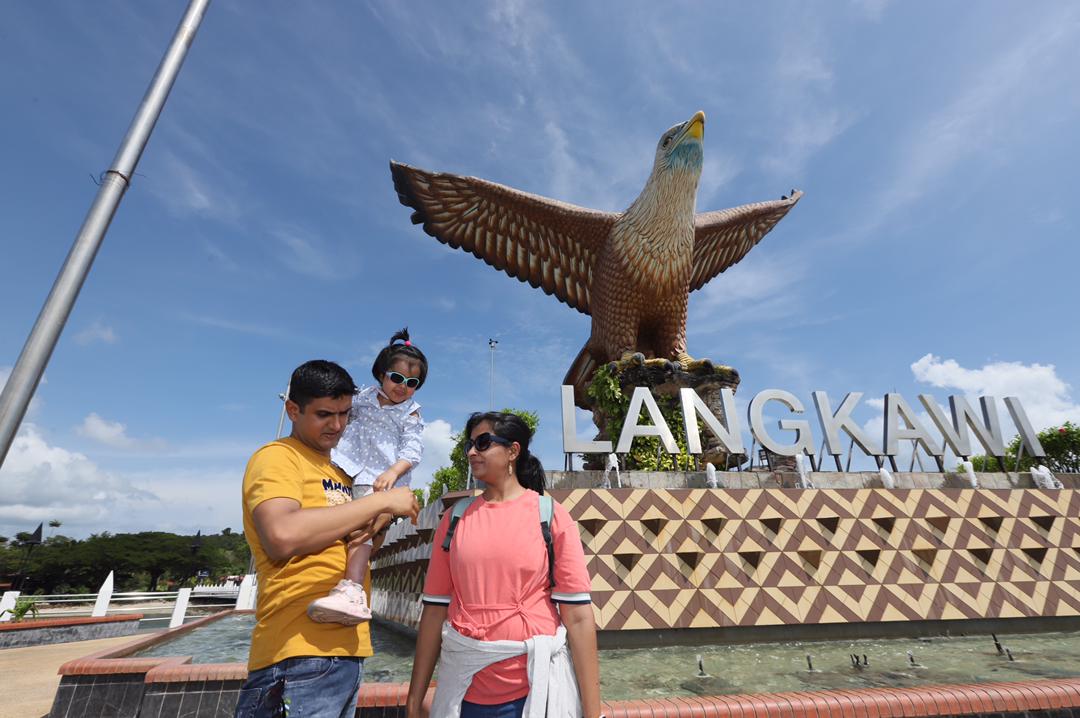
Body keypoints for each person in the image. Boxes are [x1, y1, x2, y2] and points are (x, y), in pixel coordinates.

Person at [237, 359, 419, 718]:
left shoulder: (342, 473)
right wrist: (380, 502)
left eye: (344, 414)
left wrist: (379, 521)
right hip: (296, 648)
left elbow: (356, 546)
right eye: (324, 414)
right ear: (293, 410)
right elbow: (281, 535)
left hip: (345, 651)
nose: (337, 425)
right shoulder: (279, 458)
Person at [406, 412, 602, 718]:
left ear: (513, 451)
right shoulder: (455, 519)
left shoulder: (550, 515)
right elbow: (434, 611)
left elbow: (578, 617)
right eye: (470, 445)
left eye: (483, 443)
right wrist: (414, 700)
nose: (472, 452)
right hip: (463, 692)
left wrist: (593, 713)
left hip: (535, 692)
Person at [307, 328, 428, 624]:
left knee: (362, 531)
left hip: (377, 478)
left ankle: (352, 589)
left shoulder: (410, 413)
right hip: (344, 467)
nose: (403, 387)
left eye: (412, 383)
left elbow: (412, 451)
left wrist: (392, 472)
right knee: (336, 522)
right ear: (381, 374)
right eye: (397, 378)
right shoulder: (362, 398)